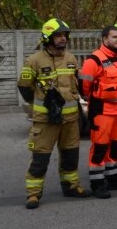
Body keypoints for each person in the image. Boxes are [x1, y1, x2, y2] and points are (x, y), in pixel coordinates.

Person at [18, 18, 90, 209]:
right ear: (47, 37)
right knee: (40, 158)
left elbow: (76, 85)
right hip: (45, 121)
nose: (62, 39)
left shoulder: (71, 59)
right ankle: (33, 194)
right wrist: (39, 106)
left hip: (70, 120)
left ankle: (71, 187)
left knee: (70, 155)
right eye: (58, 35)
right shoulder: (34, 60)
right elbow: (24, 86)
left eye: (64, 35)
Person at [78, 25, 117, 199]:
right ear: (104, 39)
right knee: (100, 147)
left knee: (116, 146)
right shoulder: (94, 60)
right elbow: (84, 88)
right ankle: (97, 183)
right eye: (114, 37)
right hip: (102, 110)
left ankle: (113, 178)